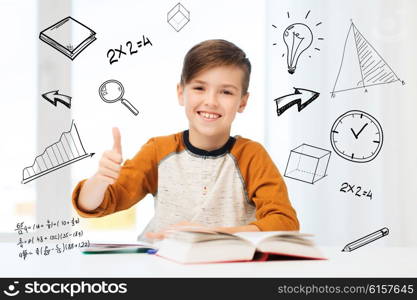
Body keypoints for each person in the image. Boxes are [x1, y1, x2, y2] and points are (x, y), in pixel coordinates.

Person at [72, 39, 299, 242]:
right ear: (181, 93)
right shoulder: (157, 151)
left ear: (242, 102)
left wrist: (212, 235)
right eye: (199, 88)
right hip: (162, 268)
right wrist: (100, 181)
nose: (211, 101)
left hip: (227, 272)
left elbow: (285, 224)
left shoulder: (251, 156)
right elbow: (93, 205)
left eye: (226, 92)